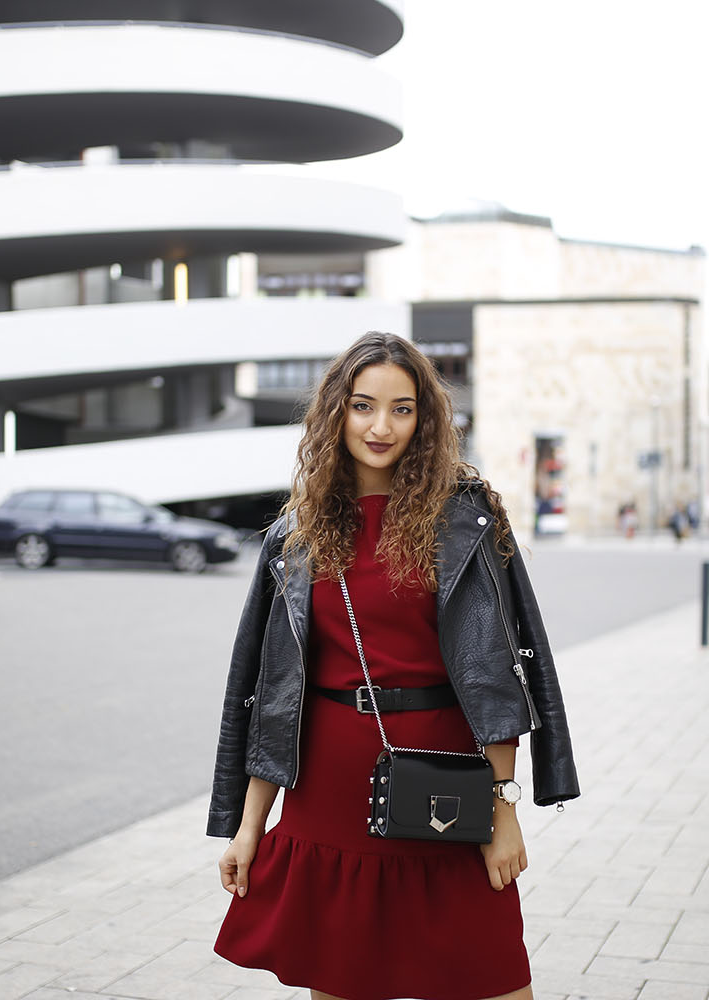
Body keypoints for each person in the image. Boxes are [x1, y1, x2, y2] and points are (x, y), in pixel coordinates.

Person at [208, 332, 580, 1000]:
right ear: (336, 413)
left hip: (448, 791)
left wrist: (503, 810)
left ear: (425, 419)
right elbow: (274, 697)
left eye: (402, 409)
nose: (382, 426)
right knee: (343, 985)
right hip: (328, 794)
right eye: (363, 406)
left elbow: (493, 675)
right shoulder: (296, 533)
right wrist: (248, 826)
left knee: (496, 982)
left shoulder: (465, 520)